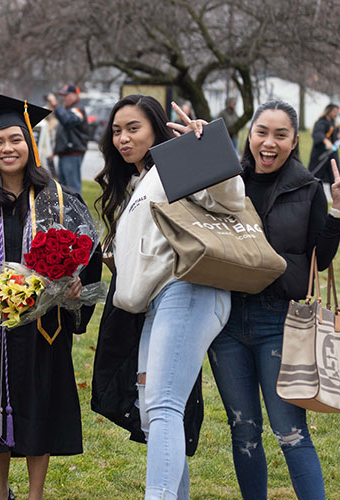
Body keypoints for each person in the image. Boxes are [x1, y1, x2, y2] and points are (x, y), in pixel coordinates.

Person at [95, 94, 245, 500]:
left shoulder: (174, 163)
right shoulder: (138, 182)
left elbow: (230, 198)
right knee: (153, 412)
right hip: (153, 307)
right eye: (117, 131)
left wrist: (205, 148)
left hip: (188, 291)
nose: (123, 138)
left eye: (133, 128)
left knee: (162, 408)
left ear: (156, 129)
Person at [0, 94, 102, 500]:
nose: (7, 149)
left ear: (30, 145)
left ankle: (35, 494)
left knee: (41, 406)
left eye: (15, 140)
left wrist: (75, 287)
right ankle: (1, 492)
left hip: (44, 328)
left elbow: (88, 253)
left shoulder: (58, 198)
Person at [204, 100, 340, 500]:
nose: (268, 143)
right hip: (226, 324)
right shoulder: (226, 181)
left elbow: (318, 260)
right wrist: (199, 147)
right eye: (261, 132)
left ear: (294, 141)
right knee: (244, 430)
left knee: (290, 432)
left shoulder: (305, 188)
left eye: (280, 135)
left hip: (280, 323)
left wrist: (338, 210)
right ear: (249, 135)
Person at [47, 85, 89, 194]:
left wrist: (56, 105)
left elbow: (67, 121)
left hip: (72, 153)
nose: (65, 98)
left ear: (76, 95)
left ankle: (77, 210)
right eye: (63, 95)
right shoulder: (68, 110)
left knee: (72, 188)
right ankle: (65, 211)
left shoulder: (78, 109)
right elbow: (63, 133)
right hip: (64, 153)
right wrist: (54, 151)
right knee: (63, 189)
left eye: (67, 95)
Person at [308, 103, 340, 184]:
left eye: (337, 112)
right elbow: (318, 133)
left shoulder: (334, 124)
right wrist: (325, 141)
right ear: (329, 111)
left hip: (332, 155)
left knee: (335, 178)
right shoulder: (321, 122)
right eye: (334, 111)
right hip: (321, 155)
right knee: (315, 179)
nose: (336, 114)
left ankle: (336, 196)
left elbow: (336, 139)